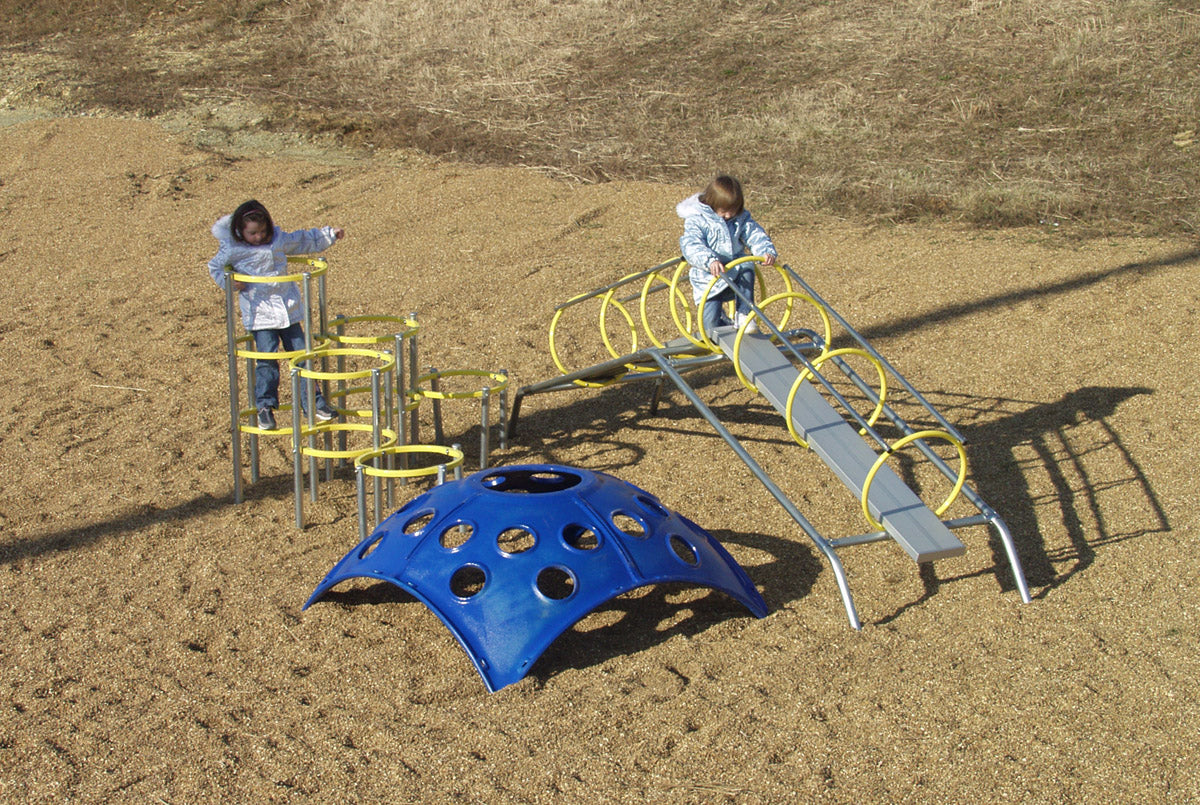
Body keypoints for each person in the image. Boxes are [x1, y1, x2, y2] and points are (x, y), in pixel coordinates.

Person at [207, 199, 344, 430]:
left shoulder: (278, 240)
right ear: (240, 231)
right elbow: (215, 267)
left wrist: (329, 234)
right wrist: (231, 282)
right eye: (253, 233)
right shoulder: (233, 248)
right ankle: (265, 407)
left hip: (288, 311)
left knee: (303, 355)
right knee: (267, 361)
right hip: (260, 314)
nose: (259, 237)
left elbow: (304, 240)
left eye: (262, 231)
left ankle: (313, 402)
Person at [677, 175, 777, 338]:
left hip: (736, 273)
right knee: (710, 327)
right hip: (709, 279)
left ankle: (744, 313)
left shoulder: (741, 218)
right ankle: (725, 324)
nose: (730, 215)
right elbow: (691, 244)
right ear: (712, 204)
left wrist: (765, 250)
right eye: (724, 211)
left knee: (746, 265)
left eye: (734, 210)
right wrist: (710, 260)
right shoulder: (697, 219)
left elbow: (754, 233)